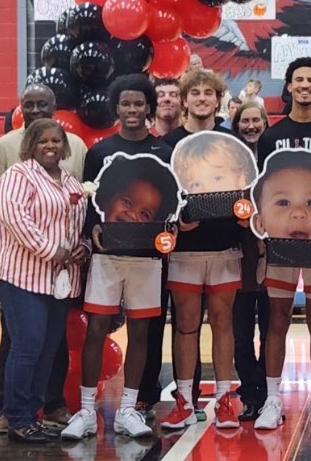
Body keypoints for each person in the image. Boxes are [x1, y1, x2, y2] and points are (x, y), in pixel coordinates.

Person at [62, 74, 174, 439]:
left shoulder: (164, 151)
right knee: (97, 328)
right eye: (125, 103)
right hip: (106, 256)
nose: (131, 110)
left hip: (147, 257)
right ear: (117, 107)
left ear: (148, 107)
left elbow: (174, 203)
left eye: (138, 103)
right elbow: (89, 201)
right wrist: (92, 228)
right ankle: (85, 411)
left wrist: (171, 227)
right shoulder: (100, 152)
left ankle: (129, 408)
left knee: (141, 331)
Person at [0, 84, 87, 435]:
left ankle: (35, 413)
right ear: (30, 146)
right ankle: (17, 416)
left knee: (46, 349)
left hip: (58, 280)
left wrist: (82, 245)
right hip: (22, 277)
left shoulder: (70, 181)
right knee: (25, 346)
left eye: (56, 141)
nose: (50, 146)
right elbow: (14, 218)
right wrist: (51, 250)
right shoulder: (16, 175)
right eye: (43, 142)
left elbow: (77, 222)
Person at [253, 57, 311, 430]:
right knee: (276, 318)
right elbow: (262, 190)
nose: (305, 85)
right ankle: (273, 400)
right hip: (280, 240)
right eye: (299, 80)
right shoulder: (271, 136)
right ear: (289, 87)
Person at [161, 69, 253, 430]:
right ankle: (185, 399)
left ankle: (226, 400)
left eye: (208, 93)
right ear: (184, 100)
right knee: (185, 325)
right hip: (185, 250)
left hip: (226, 247)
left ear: (218, 100)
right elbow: (163, 198)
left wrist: (248, 217)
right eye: (194, 93)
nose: (201, 98)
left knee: (223, 323)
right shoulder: (169, 146)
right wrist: (175, 221)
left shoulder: (233, 144)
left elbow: (248, 191)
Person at [230, 100, 269, 420]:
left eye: (257, 120)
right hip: (236, 254)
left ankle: (268, 394)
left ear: (265, 124)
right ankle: (249, 391)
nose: (251, 126)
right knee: (240, 334)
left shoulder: (275, 160)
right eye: (245, 121)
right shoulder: (226, 162)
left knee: (272, 331)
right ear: (236, 125)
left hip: (272, 254)